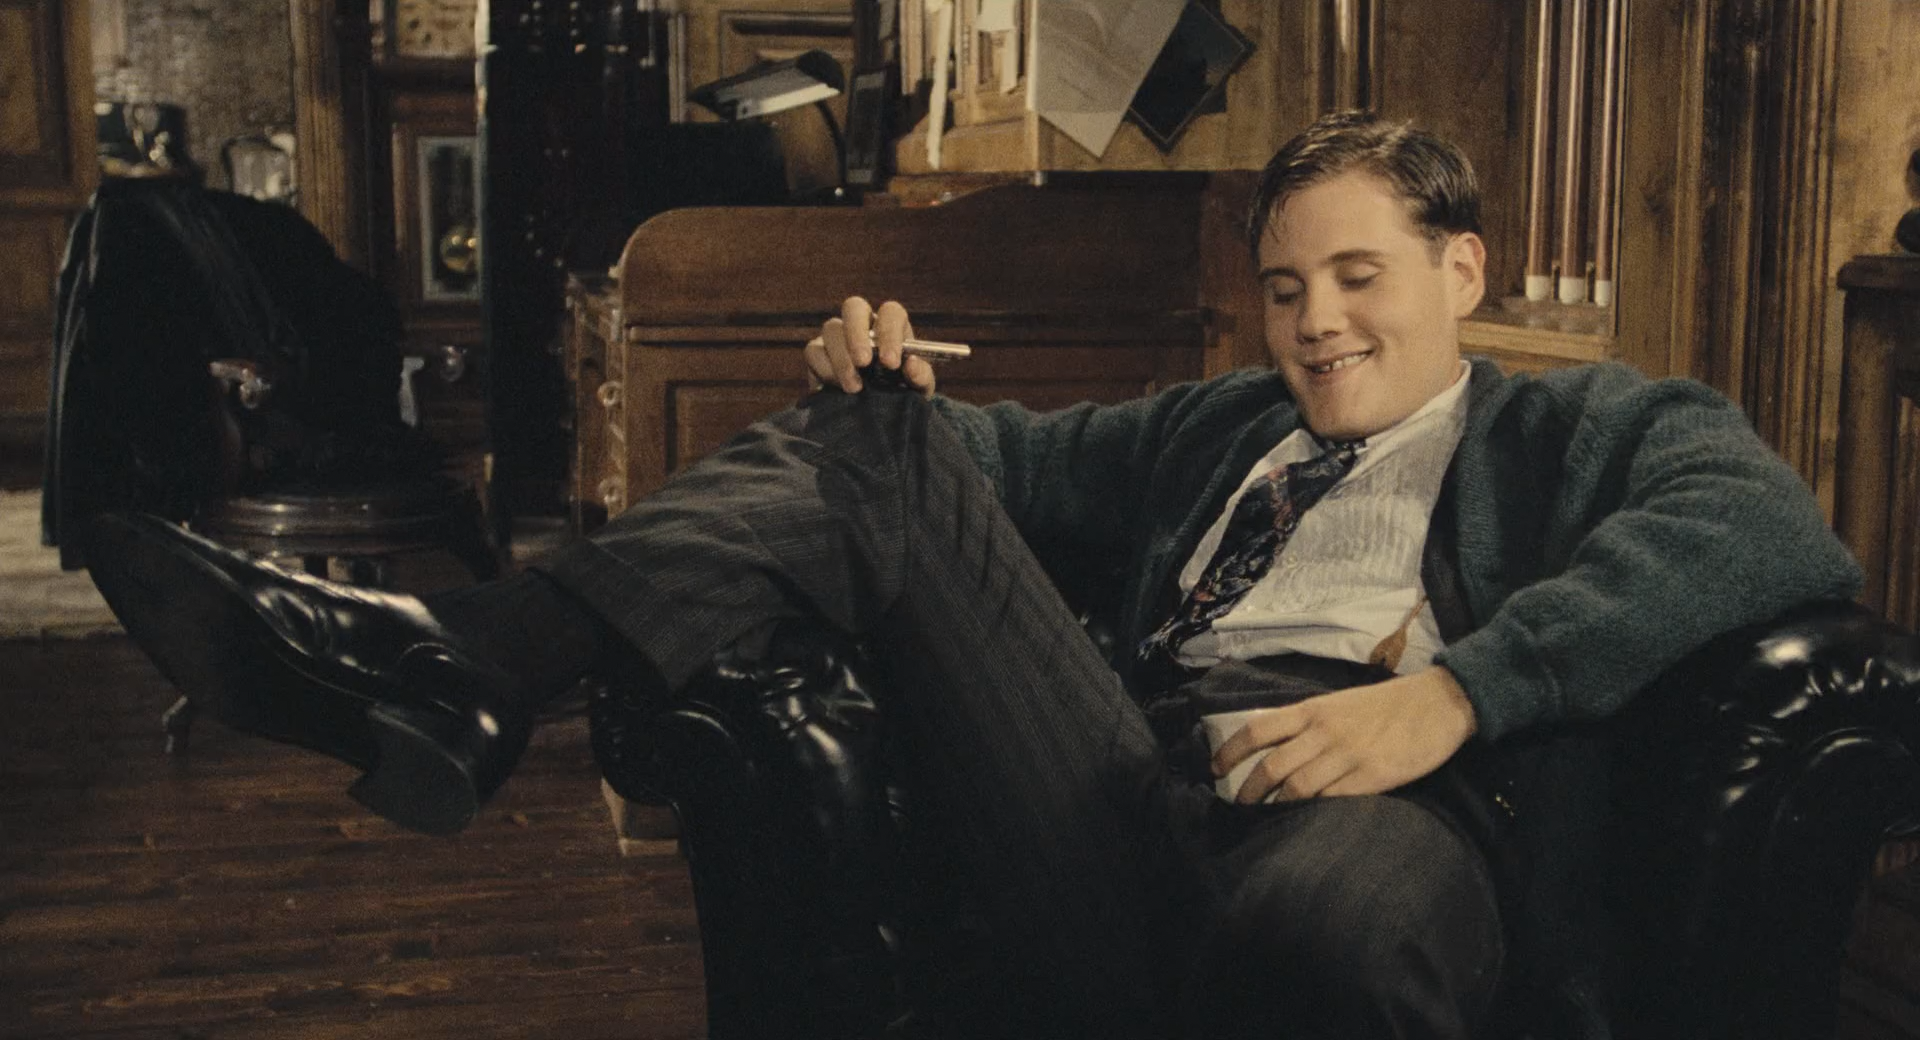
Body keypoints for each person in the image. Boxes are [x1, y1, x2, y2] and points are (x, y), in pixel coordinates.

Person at [83, 111, 1862, 1039]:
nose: (1316, 323)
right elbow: (980, 463)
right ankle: (466, 663)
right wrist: (877, 379)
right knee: (878, 437)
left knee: (1325, 936)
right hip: (1116, 788)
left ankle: (464, 674)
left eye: (1358, 277)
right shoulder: (1225, 425)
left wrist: (1460, 693)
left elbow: (1767, 526)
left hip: (1375, 788)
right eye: (1285, 287)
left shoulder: (1580, 425)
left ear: (1461, 271)